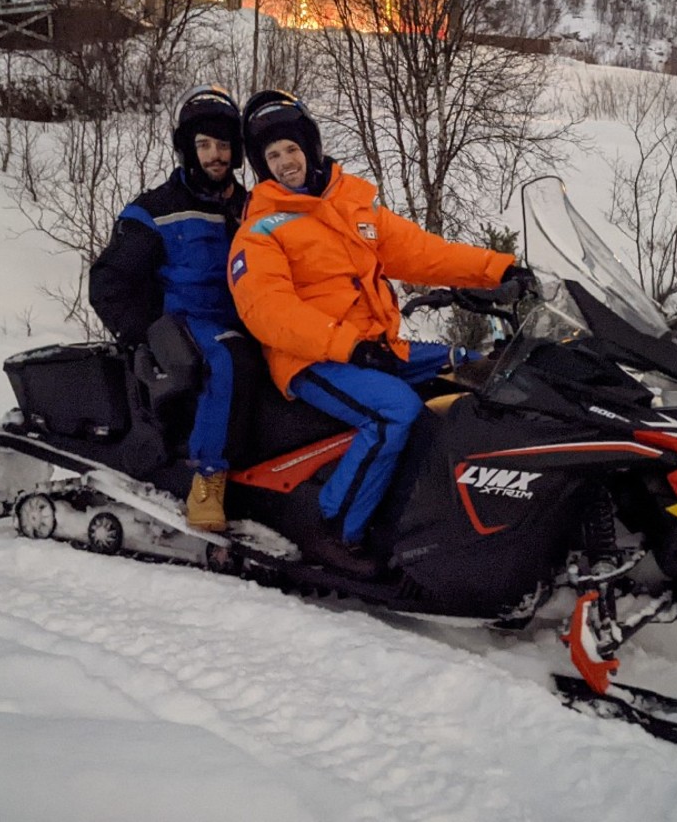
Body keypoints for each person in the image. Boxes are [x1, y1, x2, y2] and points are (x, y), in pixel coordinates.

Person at [228, 90, 536, 577]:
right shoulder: (261, 230)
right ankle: (333, 530)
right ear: (262, 167)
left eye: (291, 149)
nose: (285, 162)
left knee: (474, 365)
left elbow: (423, 253)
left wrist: (499, 270)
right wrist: (346, 346)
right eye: (272, 156)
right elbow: (267, 310)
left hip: (373, 345)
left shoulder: (351, 207)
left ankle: (445, 509)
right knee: (396, 412)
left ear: (309, 146)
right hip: (312, 359)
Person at [89, 85, 252, 533]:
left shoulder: (252, 207)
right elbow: (109, 281)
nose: (214, 155)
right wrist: (145, 336)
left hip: (251, 318)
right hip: (188, 325)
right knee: (228, 358)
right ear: (187, 149)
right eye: (204, 145)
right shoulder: (155, 210)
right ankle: (207, 478)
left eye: (223, 145)